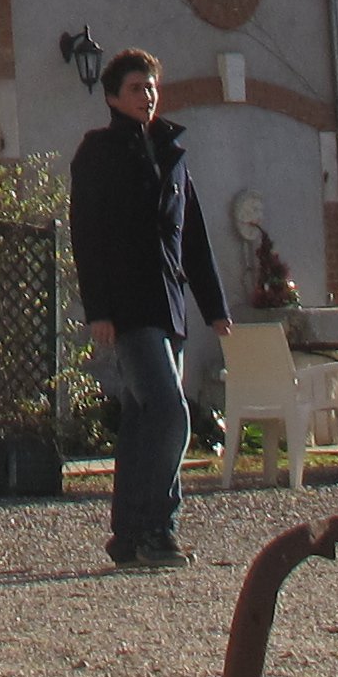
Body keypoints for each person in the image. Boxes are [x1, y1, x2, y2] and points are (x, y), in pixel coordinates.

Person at [70, 46, 228, 568]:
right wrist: (99, 310)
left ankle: (129, 535)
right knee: (169, 410)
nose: (148, 96)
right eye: (137, 88)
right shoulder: (97, 153)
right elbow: (86, 237)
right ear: (113, 95)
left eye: (152, 87)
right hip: (128, 307)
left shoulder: (171, 154)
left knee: (143, 419)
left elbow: (195, 238)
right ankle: (159, 526)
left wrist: (215, 308)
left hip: (170, 306)